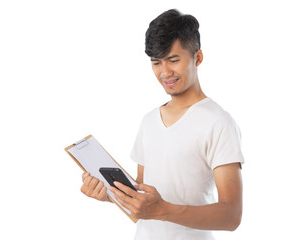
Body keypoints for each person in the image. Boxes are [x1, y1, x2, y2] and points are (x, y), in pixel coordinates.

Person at [80, 9, 244, 239]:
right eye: (156, 62)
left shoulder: (218, 122)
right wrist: (109, 194)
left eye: (173, 60)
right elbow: (142, 204)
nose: (165, 72)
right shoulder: (149, 121)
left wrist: (163, 210)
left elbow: (231, 216)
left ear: (197, 58)